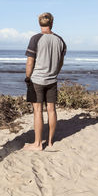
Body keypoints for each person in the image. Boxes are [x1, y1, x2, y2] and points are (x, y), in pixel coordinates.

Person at [24, 12, 66, 151]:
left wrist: (28, 77)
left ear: (39, 23)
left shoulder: (35, 39)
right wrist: (54, 73)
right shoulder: (60, 40)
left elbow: (30, 62)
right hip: (52, 79)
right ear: (52, 23)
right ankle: (50, 142)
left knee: (37, 111)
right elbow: (60, 62)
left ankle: (37, 144)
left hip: (37, 80)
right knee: (52, 110)